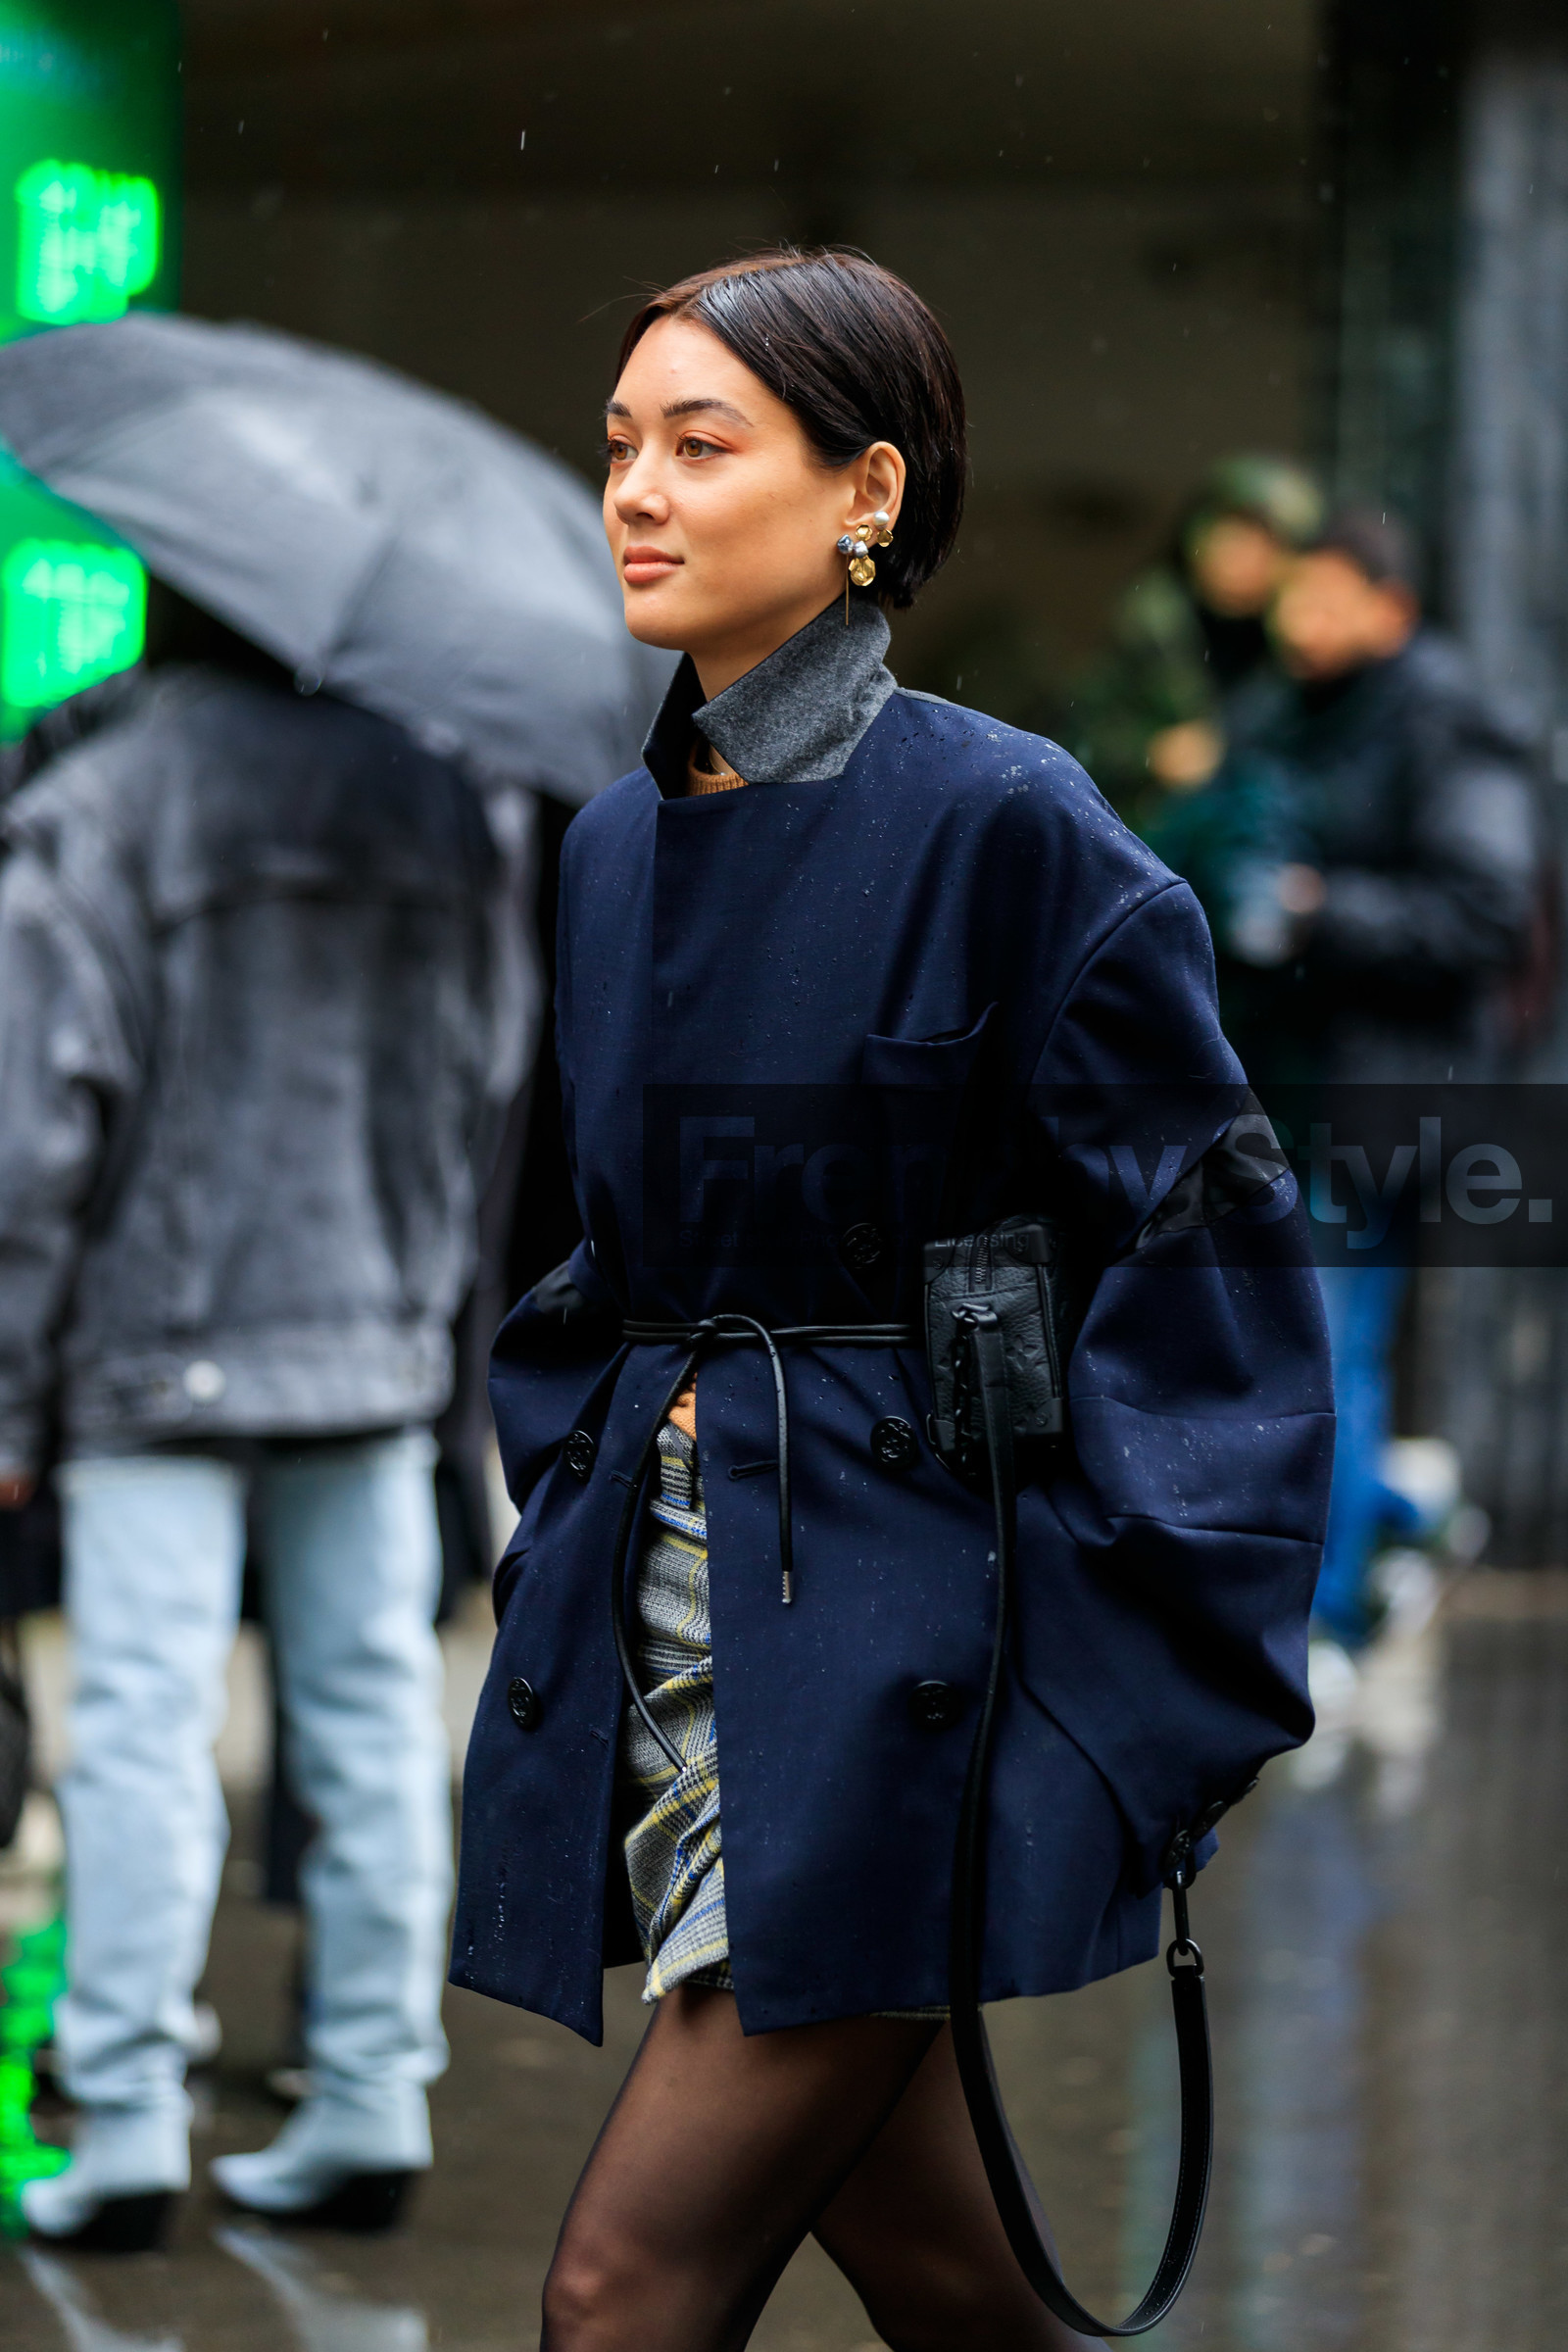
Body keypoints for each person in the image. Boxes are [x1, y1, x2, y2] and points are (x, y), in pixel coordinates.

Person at [450, 249, 1333, 2351]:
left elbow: (1203, 1239)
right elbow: (564, 1244)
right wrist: (600, 1448)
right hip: (672, 1619)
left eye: (699, 443)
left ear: (865, 491)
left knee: (616, 2292)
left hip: (906, 1641)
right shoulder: (599, 847)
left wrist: (1125, 1642)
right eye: (617, 448)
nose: (634, 494)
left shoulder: (1006, 821)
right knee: (950, 2282)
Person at [0, 588, 532, 2249]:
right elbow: (490, 1073)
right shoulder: (444, 796)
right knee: (374, 1725)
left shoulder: (104, 800)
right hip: (368, 1337)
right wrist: (425, 1306)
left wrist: (10, 1377)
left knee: (148, 1730)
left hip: (153, 1344)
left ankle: (135, 2116)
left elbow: (33, 1126)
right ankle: (372, 2098)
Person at [1239, 509, 1542, 1650]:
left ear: (1390, 608)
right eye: (1291, 598)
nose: (1299, 622)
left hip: (1388, 1097)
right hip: (1292, 1089)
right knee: (1291, 1343)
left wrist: (1324, 909)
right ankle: (1403, 1518)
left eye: (1325, 599)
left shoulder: (1447, 722)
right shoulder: (1285, 715)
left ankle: (1320, 1626)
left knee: (1322, 1345)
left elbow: (1482, 910)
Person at [1069, 452, 1322, 831]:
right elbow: (1077, 740)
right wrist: (1152, 756)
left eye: (1263, 545)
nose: (1240, 559)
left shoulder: (1301, 639)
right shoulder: (1151, 624)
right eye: (1229, 537)